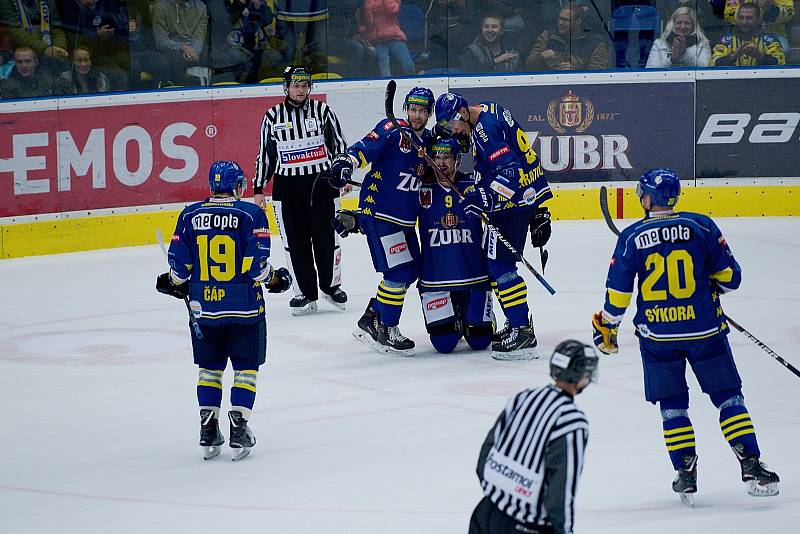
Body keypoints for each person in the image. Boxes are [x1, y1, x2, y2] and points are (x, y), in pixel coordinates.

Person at [591, 168, 780, 502]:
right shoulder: (701, 225)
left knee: (673, 405)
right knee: (728, 397)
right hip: (705, 329)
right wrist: (709, 287)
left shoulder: (632, 236)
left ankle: (685, 472)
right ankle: (750, 462)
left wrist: (608, 327)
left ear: (648, 198)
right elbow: (730, 278)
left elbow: (618, 294)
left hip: (657, 336)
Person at [156, 160, 292, 461]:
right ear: (237, 185)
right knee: (245, 370)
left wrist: (173, 282)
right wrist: (276, 278)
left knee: (209, 370)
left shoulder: (190, 215)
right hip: (244, 307)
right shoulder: (251, 214)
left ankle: (208, 426)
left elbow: (179, 267)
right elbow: (255, 268)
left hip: (203, 308)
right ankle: (239, 424)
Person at [333, 136, 493, 354]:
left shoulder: (473, 186)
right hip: (436, 279)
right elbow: (392, 209)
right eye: (436, 157)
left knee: (480, 341)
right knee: (444, 345)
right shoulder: (420, 189)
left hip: (473, 277)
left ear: (457, 160)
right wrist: (358, 219)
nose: (442, 162)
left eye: (447, 157)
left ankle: (465, 309)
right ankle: (377, 315)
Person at [434, 92, 553, 360]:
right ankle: (516, 323)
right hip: (521, 197)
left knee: (500, 265)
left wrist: (485, 197)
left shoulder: (485, 130)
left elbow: (510, 171)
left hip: (513, 202)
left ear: (463, 114)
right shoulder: (487, 110)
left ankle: (522, 331)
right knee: (495, 262)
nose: (455, 134)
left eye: (454, 127)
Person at [328, 86, 435, 356]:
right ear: (405, 109)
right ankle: (386, 328)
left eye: (422, 110)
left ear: (430, 113)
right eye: (412, 109)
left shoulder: (428, 143)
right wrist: (345, 163)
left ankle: (371, 318)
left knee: (412, 271)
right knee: (398, 274)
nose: (416, 115)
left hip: (406, 221)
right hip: (382, 215)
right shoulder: (392, 128)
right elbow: (362, 150)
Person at [470, 339, 597, 534]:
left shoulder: (524, 397)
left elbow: (486, 453)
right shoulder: (571, 422)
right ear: (582, 375)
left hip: (486, 513)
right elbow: (561, 490)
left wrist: (498, 497)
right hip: (527, 527)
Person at [253, 65, 349, 316]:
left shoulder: (323, 111)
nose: (300, 89)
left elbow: (338, 145)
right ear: (286, 87)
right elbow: (266, 155)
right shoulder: (272, 116)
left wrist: (343, 174)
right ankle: (305, 293)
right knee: (295, 243)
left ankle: (331, 287)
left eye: (305, 85)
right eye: (296, 85)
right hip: (288, 188)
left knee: (327, 238)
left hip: (322, 183)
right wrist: (258, 187)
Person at [526, 4, 609, 71]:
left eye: (565, 20)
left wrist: (575, 72)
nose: (560, 23)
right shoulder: (547, 35)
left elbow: (597, 77)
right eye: (559, 18)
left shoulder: (596, 44)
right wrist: (541, 57)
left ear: (578, 22)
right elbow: (528, 67)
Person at [710, 2, 785, 66]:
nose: (744, 22)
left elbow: (780, 63)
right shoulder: (726, 41)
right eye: (741, 17)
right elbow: (712, 63)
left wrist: (760, 56)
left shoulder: (770, 40)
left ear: (759, 19)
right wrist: (733, 56)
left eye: (749, 18)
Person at [152, 0, 209, 84]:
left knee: (213, 55)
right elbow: (160, 41)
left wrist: (194, 51)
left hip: (194, 48)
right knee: (174, 61)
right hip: (172, 49)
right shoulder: (160, 7)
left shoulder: (201, 7)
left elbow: (199, 36)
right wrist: (182, 47)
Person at [357, 0, 416, 76]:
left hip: (394, 37)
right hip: (377, 40)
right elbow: (366, 21)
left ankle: (413, 83)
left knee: (408, 64)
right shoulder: (368, 2)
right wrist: (364, 33)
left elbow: (392, 10)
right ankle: (387, 85)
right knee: (383, 61)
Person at [646, 7, 711, 68]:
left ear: (693, 25)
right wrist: (671, 60)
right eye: (679, 23)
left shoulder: (703, 43)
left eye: (687, 23)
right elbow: (650, 70)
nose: (683, 27)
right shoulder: (659, 43)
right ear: (673, 24)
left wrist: (684, 53)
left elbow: (705, 69)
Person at [724, 0, 794, 56]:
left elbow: (790, 12)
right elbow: (729, 14)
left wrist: (770, 9)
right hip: (741, 35)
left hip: (773, 33)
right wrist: (744, 12)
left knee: (784, 50)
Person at [0, 46, 73, 98]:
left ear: (36, 62)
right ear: (15, 63)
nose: (24, 65)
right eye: (19, 62)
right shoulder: (6, 85)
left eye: (28, 61)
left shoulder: (50, 80)